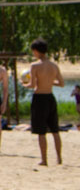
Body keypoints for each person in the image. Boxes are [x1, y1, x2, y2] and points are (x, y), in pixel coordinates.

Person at [26, 38, 64, 167]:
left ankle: (44, 159)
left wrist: (25, 85)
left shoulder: (35, 65)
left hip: (40, 98)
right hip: (50, 97)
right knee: (55, 130)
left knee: (41, 131)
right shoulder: (54, 66)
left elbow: (32, 85)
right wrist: (49, 82)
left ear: (36, 51)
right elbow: (62, 83)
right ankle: (59, 158)